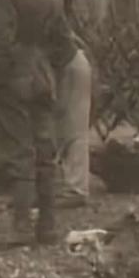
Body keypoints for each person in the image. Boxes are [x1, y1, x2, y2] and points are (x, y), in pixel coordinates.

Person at [0, 0, 75, 245]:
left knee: (19, 150)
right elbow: (66, 46)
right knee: (45, 151)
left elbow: (0, 43)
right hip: (43, 76)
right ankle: (47, 226)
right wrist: (48, 68)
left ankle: (21, 227)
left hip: (15, 78)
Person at [53, 33, 94, 208]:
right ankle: (69, 184)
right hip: (72, 61)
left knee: (73, 127)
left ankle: (76, 188)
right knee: (69, 125)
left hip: (68, 65)